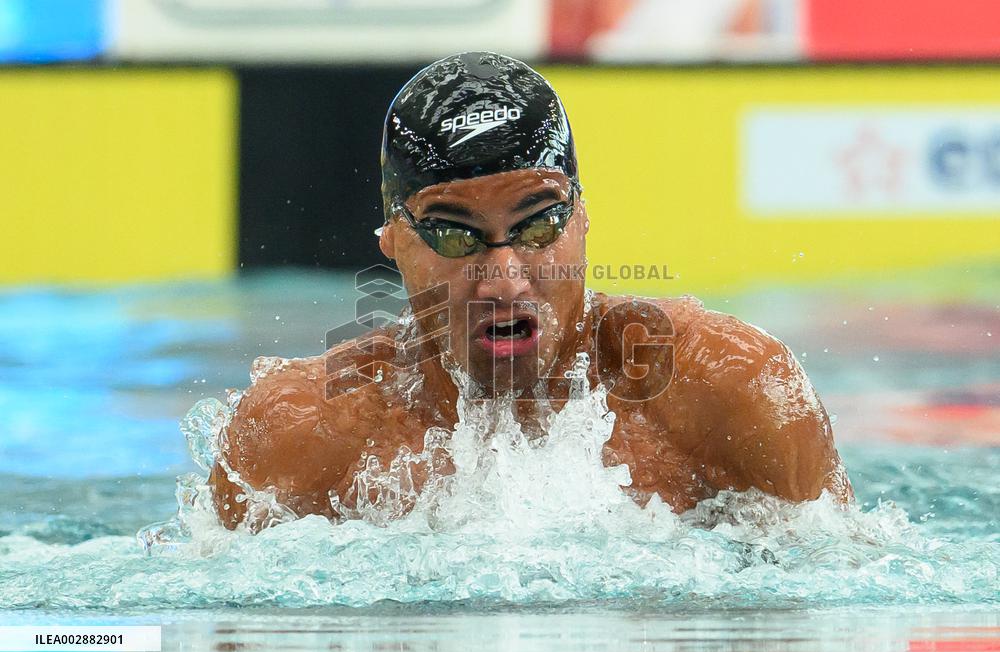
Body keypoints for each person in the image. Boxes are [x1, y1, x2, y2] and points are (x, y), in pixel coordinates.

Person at [210, 51, 851, 530]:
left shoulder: (730, 390)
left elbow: (841, 602)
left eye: (539, 224)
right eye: (456, 235)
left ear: (582, 218)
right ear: (392, 242)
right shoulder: (298, 436)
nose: (506, 278)